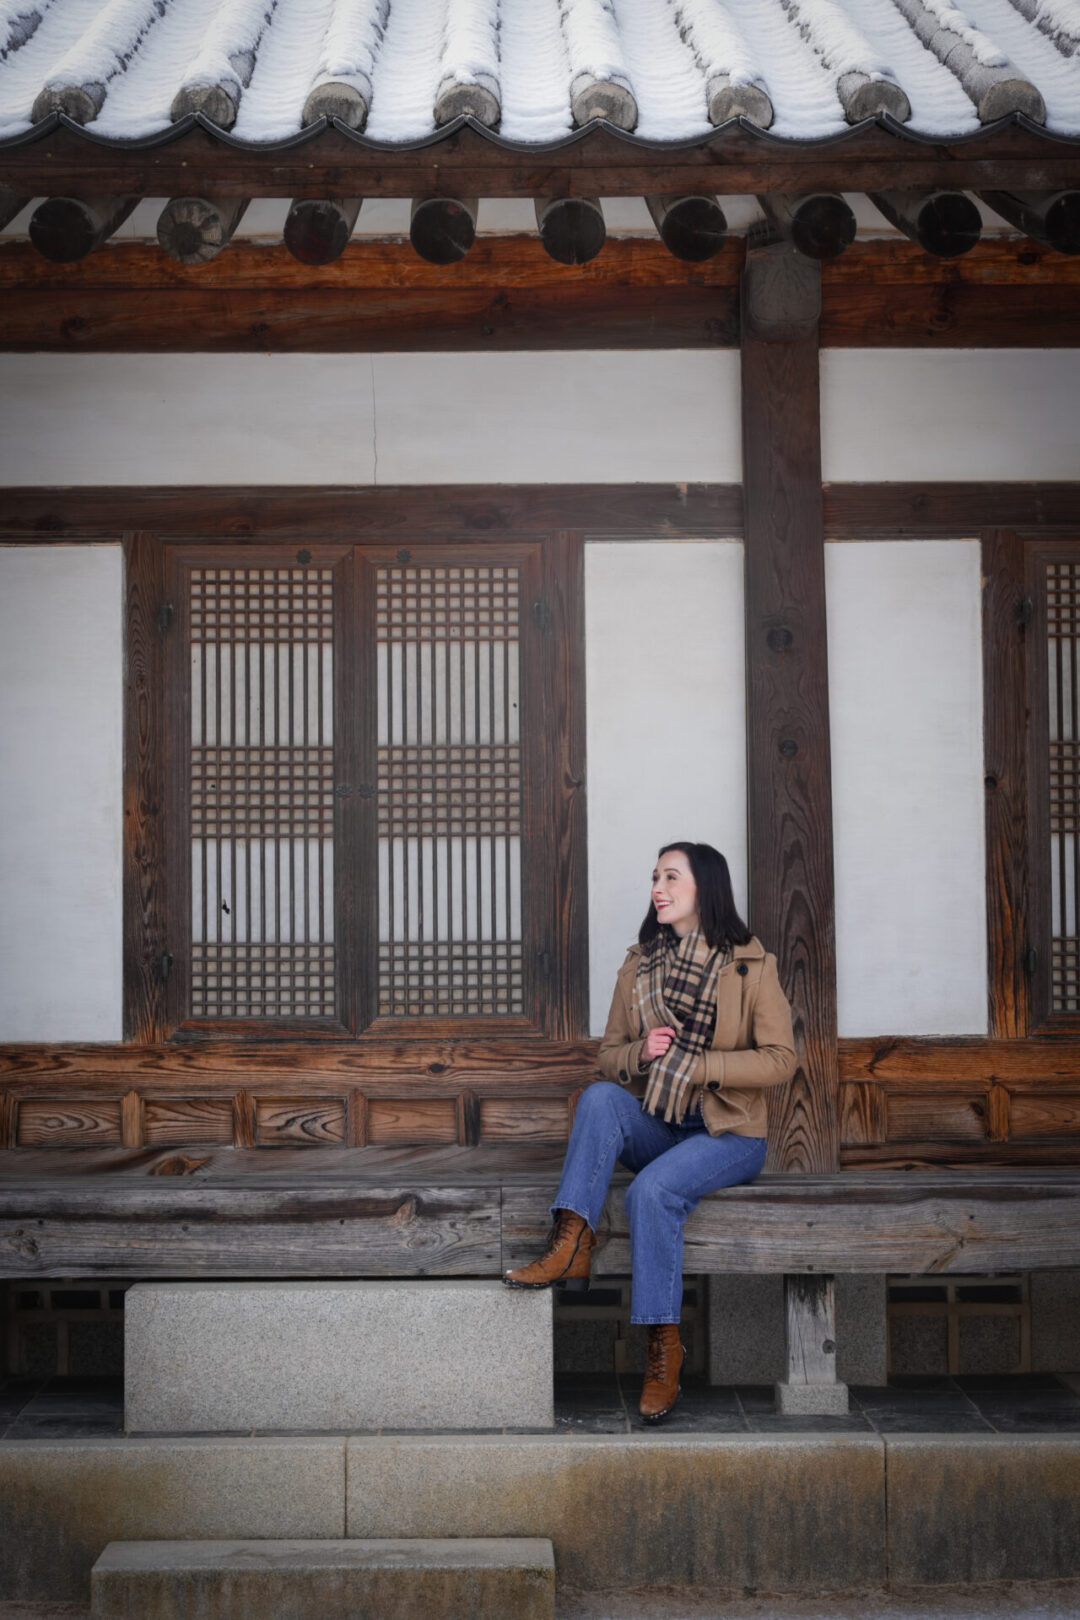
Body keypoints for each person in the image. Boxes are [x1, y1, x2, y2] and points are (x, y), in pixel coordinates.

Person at [504, 840, 797, 1422]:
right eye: (654, 877)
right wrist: (641, 1051)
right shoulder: (639, 964)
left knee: (649, 1193)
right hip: (662, 1123)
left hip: (729, 1133)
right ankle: (571, 1243)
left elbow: (781, 1059)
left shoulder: (750, 965)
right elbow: (607, 1056)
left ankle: (663, 1350)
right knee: (601, 1099)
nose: (657, 889)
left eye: (670, 877)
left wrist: (702, 1065)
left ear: (703, 889)